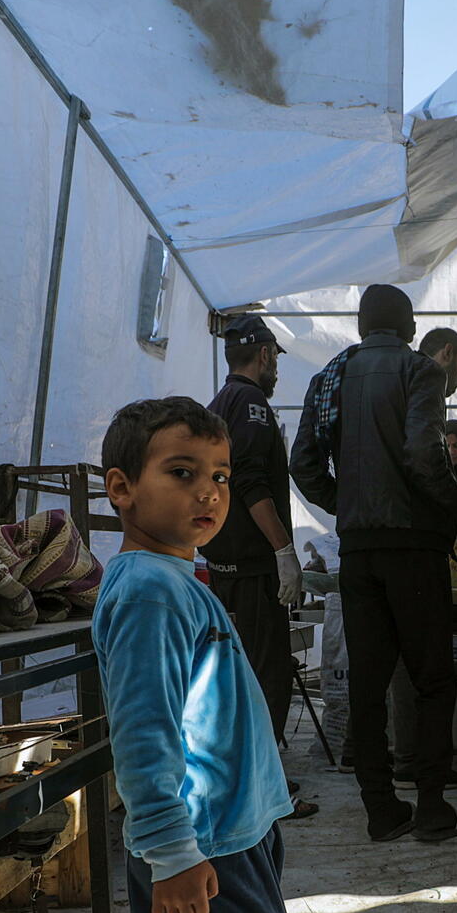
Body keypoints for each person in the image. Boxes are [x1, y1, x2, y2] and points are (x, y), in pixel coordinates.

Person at [0, 396, 313, 913]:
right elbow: (143, 732)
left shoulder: (175, 578)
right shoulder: (146, 592)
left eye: (221, 477)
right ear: (120, 488)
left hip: (232, 831)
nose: (209, 493)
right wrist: (173, 852)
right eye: (182, 472)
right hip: (204, 842)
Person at [289, 284, 457, 844]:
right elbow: (423, 451)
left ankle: (381, 809)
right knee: (432, 679)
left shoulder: (329, 376)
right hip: (414, 547)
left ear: (361, 325)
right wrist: (450, 508)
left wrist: (346, 501)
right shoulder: (421, 371)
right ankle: (433, 807)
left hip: (359, 550)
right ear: (410, 326)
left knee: (367, 684)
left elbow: (303, 463)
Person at [200, 314, 316, 820]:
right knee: (267, 677)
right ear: (265, 354)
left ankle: (244, 780)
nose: (277, 372)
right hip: (250, 569)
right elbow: (250, 482)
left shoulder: (217, 405)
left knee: (235, 680)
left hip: (224, 568)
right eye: (276, 361)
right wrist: (283, 550)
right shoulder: (252, 406)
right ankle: (265, 791)